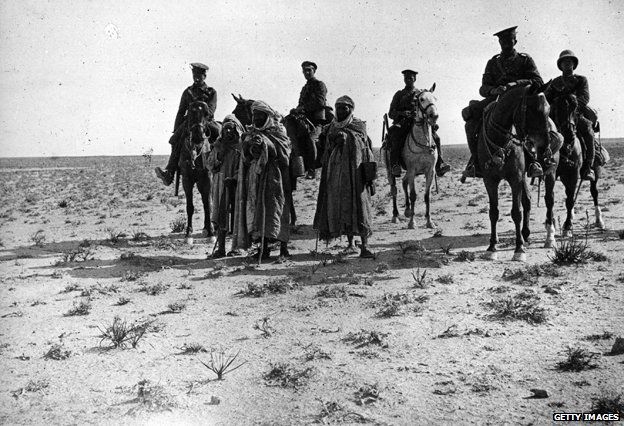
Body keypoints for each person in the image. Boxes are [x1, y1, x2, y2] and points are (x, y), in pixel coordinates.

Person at [461, 26, 544, 182]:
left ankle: (535, 161)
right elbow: (483, 87)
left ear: (515, 41)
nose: (505, 43)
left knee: (534, 121)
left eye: (508, 40)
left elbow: (538, 81)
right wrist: (494, 90)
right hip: (497, 99)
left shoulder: (525, 60)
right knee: (469, 118)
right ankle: (476, 162)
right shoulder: (493, 63)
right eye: (502, 40)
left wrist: (515, 85)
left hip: (521, 100)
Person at [313, 95, 375, 259]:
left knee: (359, 206)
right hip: (336, 174)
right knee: (343, 207)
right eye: (338, 107)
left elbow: (363, 146)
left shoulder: (358, 126)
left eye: (344, 108)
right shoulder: (330, 127)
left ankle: (365, 245)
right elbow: (326, 148)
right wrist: (329, 140)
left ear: (351, 109)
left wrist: (347, 138)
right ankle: (350, 244)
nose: (340, 111)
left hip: (356, 174)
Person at [231, 100, 292, 260]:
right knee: (258, 211)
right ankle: (263, 248)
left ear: (267, 115)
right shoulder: (251, 133)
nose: (256, 119)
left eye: (260, 115)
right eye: (254, 115)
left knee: (277, 210)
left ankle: (283, 247)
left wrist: (266, 144)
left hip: (275, 177)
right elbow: (245, 157)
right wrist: (250, 145)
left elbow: (284, 156)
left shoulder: (278, 131)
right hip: (255, 178)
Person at [155, 62, 220, 186]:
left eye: (199, 75)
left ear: (204, 76)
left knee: (219, 135)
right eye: (194, 74)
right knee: (175, 140)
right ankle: (169, 172)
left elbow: (211, 110)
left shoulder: (211, 92)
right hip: (189, 123)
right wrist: (177, 129)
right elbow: (181, 111)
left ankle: (221, 167)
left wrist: (201, 110)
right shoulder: (188, 92)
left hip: (205, 122)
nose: (196, 77)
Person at [387, 69, 451, 177]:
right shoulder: (399, 94)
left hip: (419, 122)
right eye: (406, 78)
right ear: (404, 79)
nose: (408, 80)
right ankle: (395, 165)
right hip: (403, 123)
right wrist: (402, 113)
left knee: (437, 138)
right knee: (396, 137)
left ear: (414, 79)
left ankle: (439, 163)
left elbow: (426, 107)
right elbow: (391, 113)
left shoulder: (421, 93)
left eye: (410, 78)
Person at [545, 50, 596, 181]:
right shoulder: (554, 82)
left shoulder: (581, 80)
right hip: (557, 116)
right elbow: (547, 98)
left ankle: (589, 166)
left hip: (575, 114)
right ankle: (541, 163)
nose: (567, 64)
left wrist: (572, 105)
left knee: (588, 130)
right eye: (564, 62)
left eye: (570, 62)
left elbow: (585, 97)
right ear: (560, 65)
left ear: (574, 64)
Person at [206, 115, 244, 258]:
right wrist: (219, 156)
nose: (228, 132)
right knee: (220, 216)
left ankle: (236, 248)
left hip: (237, 185)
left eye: (231, 129)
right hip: (220, 184)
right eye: (226, 129)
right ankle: (221, 248)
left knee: (236, 216)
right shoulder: (218, 145)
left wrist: (234, 178)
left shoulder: (241, 146)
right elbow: (209, 165)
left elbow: (243, 165)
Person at [290, 61, 328, 179]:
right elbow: (300, 103)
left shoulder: (320, 85)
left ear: (314, 71)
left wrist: (303, 108)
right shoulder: (304, 88)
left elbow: (320, 102)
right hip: (304, 119)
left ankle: (311, 169)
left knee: (310, 138)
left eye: (309, 70)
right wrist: (296, 110)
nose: (306, 72)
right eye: (304, 70)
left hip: (317, 121)